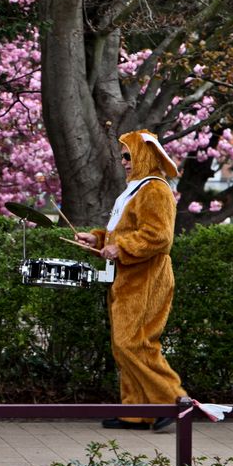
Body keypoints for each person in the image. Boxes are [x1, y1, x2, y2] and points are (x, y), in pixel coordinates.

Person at [73, 130, 186, 432]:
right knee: (126, 344)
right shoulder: (136, 189)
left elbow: (160, 237)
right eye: (122, 155)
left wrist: (119, 248)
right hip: (130, 275)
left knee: (133, 342)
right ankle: (136, 411)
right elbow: (125, 231)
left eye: (128, 155)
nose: (122, 161)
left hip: (147, 277)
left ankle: (175, 403)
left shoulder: (154, 189)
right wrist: (97, 238)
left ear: (145, 155)